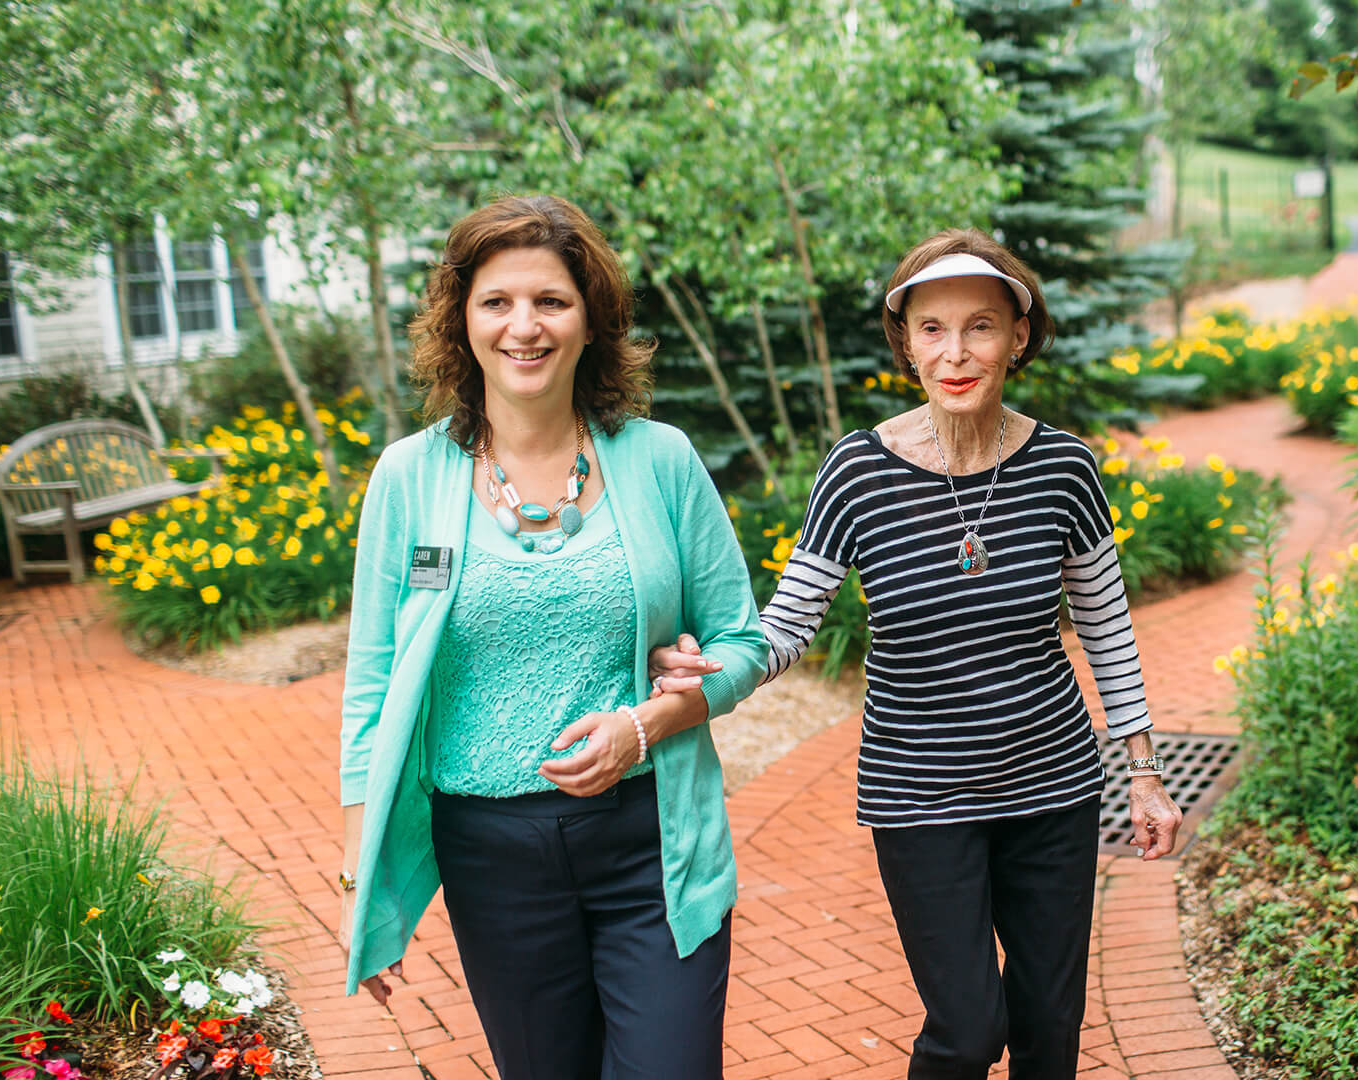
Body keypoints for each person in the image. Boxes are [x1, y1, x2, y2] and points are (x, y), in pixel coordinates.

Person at [653, 228, 1183, 1080]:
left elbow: (1107, 628)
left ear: (1019, 335)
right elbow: (790, 624)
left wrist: (1143, 768)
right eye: (931, 328)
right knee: (969, 1030)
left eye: (980, 326)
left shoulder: (1065, 470)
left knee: (1051, 1026)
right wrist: (719, 662)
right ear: (906, 343)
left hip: (1053, 786)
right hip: (919, 794)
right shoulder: (857, 473)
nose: (956, 351)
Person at [337, 194, 766, 1080]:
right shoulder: (409, 478)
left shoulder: (661, 460)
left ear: (590, 320)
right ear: (461, 319)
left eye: (551, 301)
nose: (523, 326)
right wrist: (364, 886)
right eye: (496, 301)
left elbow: (744, 641)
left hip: (654, 846)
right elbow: (371, 689)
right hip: (492, 860)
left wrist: (652, 719)